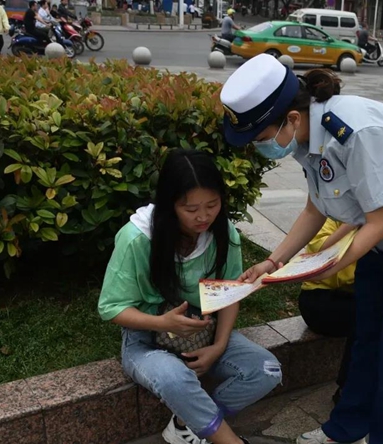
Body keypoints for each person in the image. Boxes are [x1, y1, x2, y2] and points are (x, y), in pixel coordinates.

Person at [220, 54, 383, 444]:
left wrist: (327, 266)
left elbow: (381, 221)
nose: (259, 147)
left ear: (292, 119)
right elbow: (314, 208)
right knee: (367, 336)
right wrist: (272, 261)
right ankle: (345, 428)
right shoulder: (306, 136)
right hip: (379, 238)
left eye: (261, 138)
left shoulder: (355, 130)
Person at [98, 149, 281, 444]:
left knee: (266, 370)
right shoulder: (136, 238)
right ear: (170, 205)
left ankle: (187, 424)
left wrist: (218, 346)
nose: (203, 216)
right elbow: (111, 308)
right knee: (175, 378)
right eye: (190, 208)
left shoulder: (224, 234)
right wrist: (163, 322)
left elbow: (229, 294)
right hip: (145, 338)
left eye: (212, 204)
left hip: (203, 331)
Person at [299, 219, 383, 418]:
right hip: (321, 298)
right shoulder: (334, 217)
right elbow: (318, 254)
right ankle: (348, 389)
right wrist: (354, 223)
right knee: (368, 315)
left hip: (360, 293)